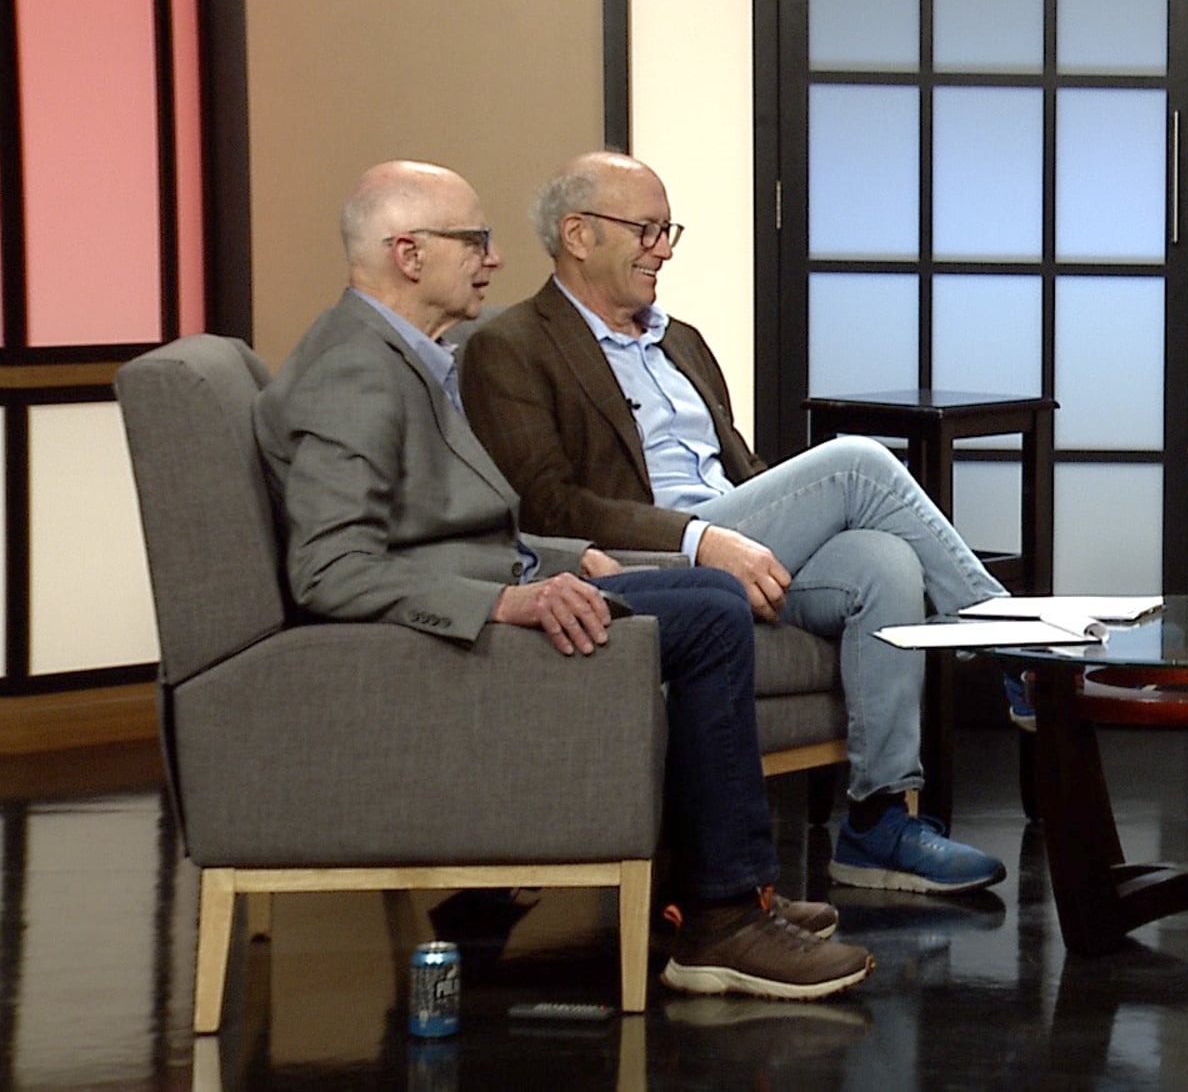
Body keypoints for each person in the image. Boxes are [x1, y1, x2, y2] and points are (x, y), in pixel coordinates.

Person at [255, 160, 869, 1000]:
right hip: (452, 635)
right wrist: (509, 599)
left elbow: (435, 527)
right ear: (408, 253)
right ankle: (721, 917)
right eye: (474, 240)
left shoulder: (405, 355)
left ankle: (724, 891)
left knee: (708, 598)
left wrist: (560, 556)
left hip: (508, 585)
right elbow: (330, 569)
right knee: (710, 612)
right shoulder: (354, 372)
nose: (495, 258)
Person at [458, 151, 1008, 896]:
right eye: (646, 230)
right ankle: (1014, 642)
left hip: (729, 538)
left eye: (668, 231)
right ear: (578, 235)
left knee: (884, 561)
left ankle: (876, 823)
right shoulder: (511, 347)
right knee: (857, 463)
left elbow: (738, 473)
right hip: (644, 561)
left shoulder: (679, 339)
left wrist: (751, 536)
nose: (663, 249)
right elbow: (546, 504)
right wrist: (700, 541)